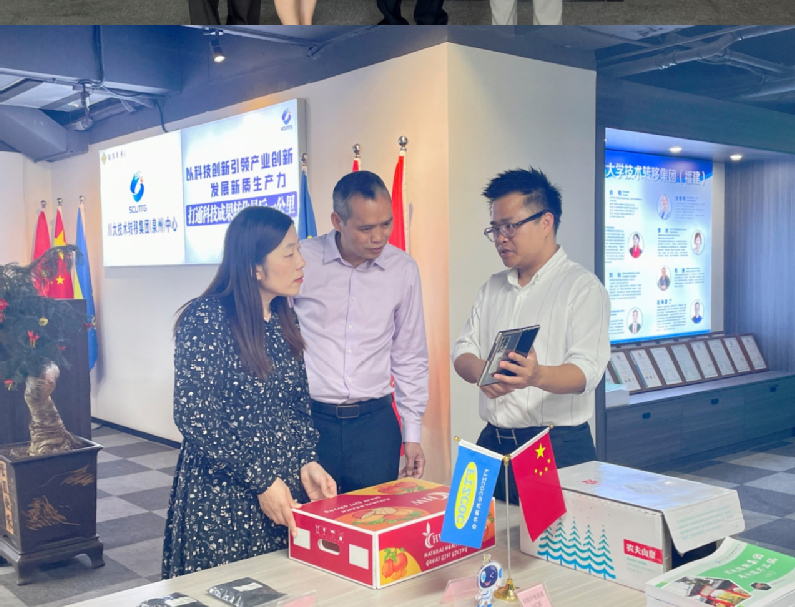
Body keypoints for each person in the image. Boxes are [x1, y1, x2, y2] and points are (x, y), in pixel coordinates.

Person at [161, 202, 335, 575]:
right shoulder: (206, 318)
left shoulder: (284, 317)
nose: (301, 262)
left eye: (299, 250)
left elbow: (296, 406)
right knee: (227, 599)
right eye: (289, 253)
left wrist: (307, 461)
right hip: (226, 495)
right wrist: (259, 479)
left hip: (281, 489)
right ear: (255, 267)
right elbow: (194, 415)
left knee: (285, 594)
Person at [453, 166, 611, 495]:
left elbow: (587, 372)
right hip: (491, 442)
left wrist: (536, 375)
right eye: (495, 229)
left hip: (553, 446)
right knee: (471, 527)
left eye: (510, 226)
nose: (501, 238)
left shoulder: (582, 288)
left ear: (545, 222)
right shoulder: (492, 287)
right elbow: (462, 351)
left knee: (548, 533)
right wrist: (483, 372)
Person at [296, 170, 428, 492]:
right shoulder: (301, 262)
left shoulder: (402, 269)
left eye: (386, 224)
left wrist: (412, 434)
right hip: (311, 421)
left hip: (375, 426)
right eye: (366, 228)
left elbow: (410, 355)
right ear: (337, 222)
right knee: (311, 517)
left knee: (377, 516)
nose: (379, 237)